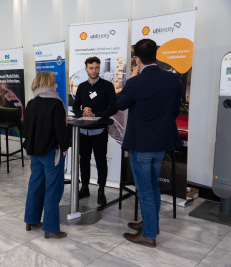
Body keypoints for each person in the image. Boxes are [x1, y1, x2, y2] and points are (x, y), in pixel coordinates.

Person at [117, 39, 181, 248]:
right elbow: (175, 112)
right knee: (153, 185)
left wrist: (131, 79)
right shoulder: (173, 80)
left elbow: (120, 104)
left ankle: (149, 235)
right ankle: (151, 224)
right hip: (161, 143)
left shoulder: (135, 82)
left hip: (142, 145)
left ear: (137, 58)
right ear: (156, 55)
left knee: (144, 189)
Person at [23, 71, 69, 239]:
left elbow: (26, 128)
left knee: (35, 185)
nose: (56, 86)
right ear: (49, 84)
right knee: (53, 189)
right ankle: (51, 227)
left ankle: (31, 220)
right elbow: (60, 129)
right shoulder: (55, 103)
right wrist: (64, 146)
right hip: (51, 152)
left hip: (34, 152)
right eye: (54, 82)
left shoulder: (31, 103)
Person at [72, 56, 117, 205]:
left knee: (100, 161)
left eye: (96, 67)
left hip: (99, 131)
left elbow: (113, 108)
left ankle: (101, 190)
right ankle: (84, 187)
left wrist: (95, 114)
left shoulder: (107, 86)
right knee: (83, 161)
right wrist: (82, 113)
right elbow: (75, 106)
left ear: (99, 68)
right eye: (91, 68)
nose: (94, 70)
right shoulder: (82, 87)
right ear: (86, 69)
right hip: (83, 132)